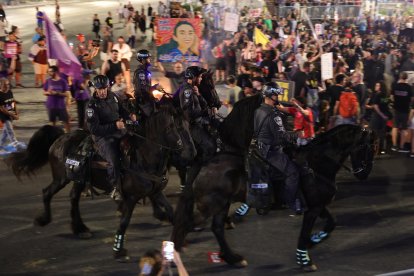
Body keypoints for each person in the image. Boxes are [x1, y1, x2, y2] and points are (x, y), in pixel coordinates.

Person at [235, 82, 300, 217]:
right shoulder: (273, 114)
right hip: (272, 152)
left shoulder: (258, 110)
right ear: (271, 96)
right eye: (276, 94)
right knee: (293, 173)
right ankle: (292, 202)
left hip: (259, 150)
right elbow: (281, 137)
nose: (278, 97)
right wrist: (296, 135)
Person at [85, 75, 136, 201]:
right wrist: (114, 125)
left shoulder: (113, 96)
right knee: (113, 158)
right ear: (95, 89)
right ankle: (115, 187)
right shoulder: (91, 106)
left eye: (104, 88)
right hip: (103, 138)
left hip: (119, 131)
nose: (102, 91)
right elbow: (94, 129)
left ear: (107, 87)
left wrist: (130, 116)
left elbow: (122, 111)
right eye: (99, 89)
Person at [174, 65, 215, 164]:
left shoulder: (193, 89)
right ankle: (202, 170)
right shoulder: (187, 90)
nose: (201, 79)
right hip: (193, 126)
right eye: (200, 76)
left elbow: (204, 105)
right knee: (209, 146)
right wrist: (205, 112)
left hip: (200, 121)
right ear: (193, 77)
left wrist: (199, 95)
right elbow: (189, 113)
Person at [390, 72, 414, 153]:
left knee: (395, 127)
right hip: (405, 110)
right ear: (406, 78)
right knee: (404, 129)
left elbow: (391, 97)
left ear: (400, 77)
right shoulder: (409, 87)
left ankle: (394, 145)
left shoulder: (395, 86)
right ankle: (401, 147)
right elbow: (412, 99)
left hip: (396, 109)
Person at [43, 66, 71, 133]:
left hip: (61, 106)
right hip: (51, 106)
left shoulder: (63, 82)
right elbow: (44, 92)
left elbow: (67, 94)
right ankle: (53, 137)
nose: (49, 73)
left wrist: (57, 93)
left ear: (56, 72)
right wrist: (48, 92)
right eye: (48, 71)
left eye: (51, 71)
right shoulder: (48, 81)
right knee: (52, 123)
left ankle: (68, 135)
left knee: (66, 122)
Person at [133, 49, 159, 116]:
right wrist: (155, 87)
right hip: (143, 102)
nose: (150, 60)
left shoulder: (145, 71)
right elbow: (142, 88)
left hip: (147, 99)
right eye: (148, 58)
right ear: (143, 60)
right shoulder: (140, 72)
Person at [369, 81, 391, 155]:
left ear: (381, 87)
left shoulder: (377, 95)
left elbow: (376, 106)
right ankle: (382, 149)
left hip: (377, 116)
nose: (376, 86)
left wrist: (381, 115)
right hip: (384, 117)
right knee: (382, 133)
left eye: (377, 85)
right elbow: (386, 105)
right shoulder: (386, 95)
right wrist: (385, 116)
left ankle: (374, 149)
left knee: (374, 132)